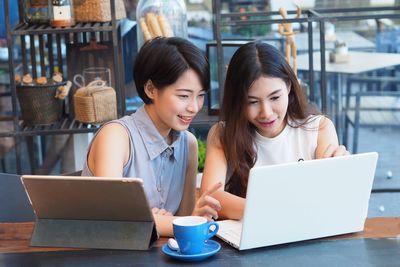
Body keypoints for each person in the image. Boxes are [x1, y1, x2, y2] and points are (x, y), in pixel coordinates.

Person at [82, 37, 221, 236]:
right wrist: (170, 222)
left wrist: (158, 221)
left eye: (200, 95)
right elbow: (114, 220)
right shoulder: (115, 137)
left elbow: (184, 219)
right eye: (183, 96)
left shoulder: (187, 143)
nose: (194, 107)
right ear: (150, 89)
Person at [200, 41, 349, 220]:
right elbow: (211, 197)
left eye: (275, 97)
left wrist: (342, 174)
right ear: (238, 101)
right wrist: (279, 210)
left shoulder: (319, 129)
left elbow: (329, 197)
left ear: (289, 86)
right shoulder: (222, 134)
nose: (266, 113)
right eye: (252, 102)